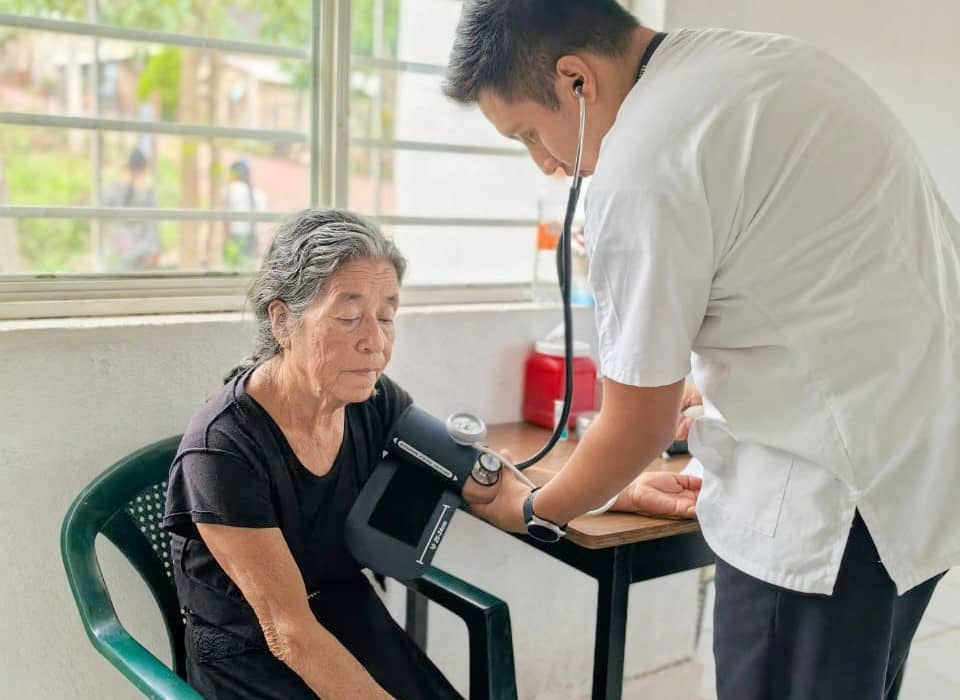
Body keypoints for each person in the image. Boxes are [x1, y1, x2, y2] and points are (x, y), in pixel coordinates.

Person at [443, 2, 959, 699]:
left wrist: (534, 509)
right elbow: (825, 286)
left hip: (823, 516)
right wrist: (713, 390)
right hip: (918, 480)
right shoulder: (764, 64)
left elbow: (635, 430)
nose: (544, 164)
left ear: (575, 81)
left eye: (530, 133)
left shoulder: (639, 163)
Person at [162, 208, 698, 699]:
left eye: (387, 316)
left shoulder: (371, 400)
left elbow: (486, 485)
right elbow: (289, 632)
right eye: (349, 318)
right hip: (254, 651)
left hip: (343, 613)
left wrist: (609, 492)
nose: (376, 341)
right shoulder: (221, 453)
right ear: (281, 321)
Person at [105, 147, 160, 270]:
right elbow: (109, 210)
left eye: (139, 170)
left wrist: (154, 250)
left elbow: (153, 223)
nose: (137, 174)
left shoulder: (148, 191)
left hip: (142, 249)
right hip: (120, 246)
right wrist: (125, 184)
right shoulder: (116, 186)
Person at [222, 159, 267, 267]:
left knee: (231, 270)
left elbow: (224, 221)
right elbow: (261, 223)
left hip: (233, 239)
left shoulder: (228, 191)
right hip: (252, 240)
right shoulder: (259, 194)